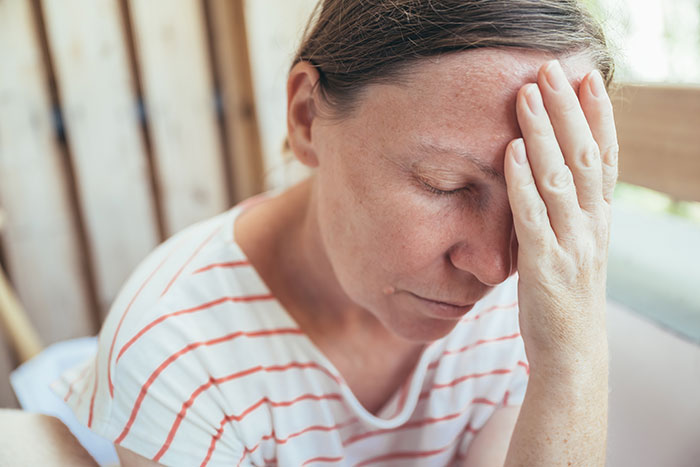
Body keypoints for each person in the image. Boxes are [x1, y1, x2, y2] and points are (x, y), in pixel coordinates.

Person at [52, 0, 618, 465]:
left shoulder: (538, 300)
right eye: (444, 185)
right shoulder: (175, 351)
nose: (495, 268)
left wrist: (573, 361)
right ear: (305, 116)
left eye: (537, 199)